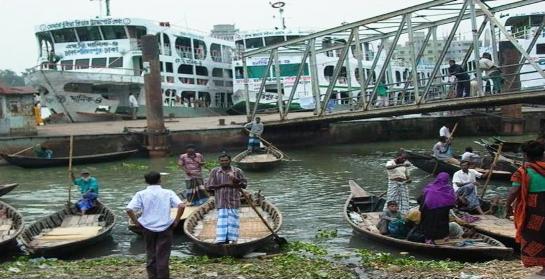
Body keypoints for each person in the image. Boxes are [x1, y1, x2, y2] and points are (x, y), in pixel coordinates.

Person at [126, 171, 185, 279]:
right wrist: (176, 220)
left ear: (146, 181)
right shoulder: (168, 192)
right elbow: (181, 206)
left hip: (147, 227)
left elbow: (129, 209)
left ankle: (152, 277)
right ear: (160, 180)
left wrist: (136, 222)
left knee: (150, 253)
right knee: (163, 255)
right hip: (165, 227)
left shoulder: (141, 194)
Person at [506, 140, 545, 275]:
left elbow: (513, 192)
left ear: (526, 156)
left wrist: (508, 207)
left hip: (534, 209)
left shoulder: (522, 172)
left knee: (535, 236)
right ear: (542, 154)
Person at [205, 154, 247, 244]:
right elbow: (208, 187)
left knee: (233, 221)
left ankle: (233, 239)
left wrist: (235, 179)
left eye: (226, 160)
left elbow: (244, 185)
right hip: (221, 200)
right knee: (222, 220)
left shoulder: (237, 171)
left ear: (230, 160)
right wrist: (224, 185)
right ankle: (221, 239)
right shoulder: (215, 171)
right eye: (222, 161)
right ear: (219, 161)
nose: (224, 162)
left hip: (233, 199)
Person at [419, 172, 457, 244]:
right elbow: (452, 202)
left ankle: (428, 239)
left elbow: (421, 199)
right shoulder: (449, 189)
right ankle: (443, 238)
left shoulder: (429, 187)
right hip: (442, 212)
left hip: (428, 211)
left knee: (429, 224)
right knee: (443, 223)